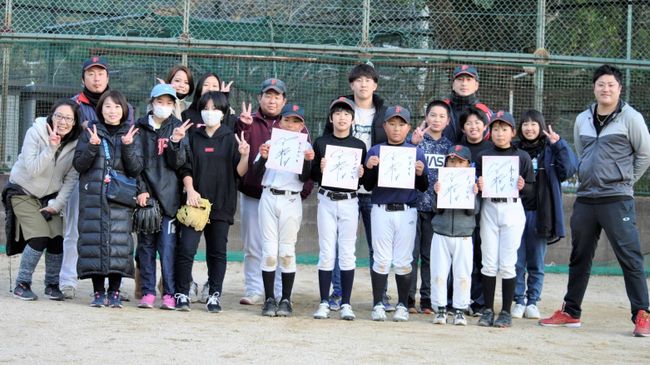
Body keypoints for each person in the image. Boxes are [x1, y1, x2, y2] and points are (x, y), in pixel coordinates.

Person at [539, 65, 650, 337]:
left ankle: (643, 314)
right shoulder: (582, 119)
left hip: (617, 199)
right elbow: (582, 151)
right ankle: (571, 312)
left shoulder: (630, 118)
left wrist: (624, 181)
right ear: (594, 87)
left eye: (611, 85)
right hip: (586, 199)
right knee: (579, 256)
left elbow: (645, 155)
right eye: (601, 84)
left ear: (619, 88)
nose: (606, 89)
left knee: (630, 258)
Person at [61, 56, 135, 300]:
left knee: (117, 234)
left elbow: (130, 145)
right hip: (81, 174)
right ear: (83, 78)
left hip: (115, 181)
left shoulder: (123, 105)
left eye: (100, 73)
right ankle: (68, 281)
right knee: (78, 230)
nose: (96, 78)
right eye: (91, 73)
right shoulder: (74, 104)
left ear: (107, 77)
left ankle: (115, 287)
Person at [322, 63, 392, 311]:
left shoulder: (384, 113)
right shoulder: (340, 109)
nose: (363, 84)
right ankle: (338, 293)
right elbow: (327, 145)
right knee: (342, 246)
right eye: (358, 80)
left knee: (378, 246)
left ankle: (380, 296)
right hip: (345, 191)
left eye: (368, 80)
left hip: (375, 190)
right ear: (351, 84)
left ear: (375, 84)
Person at [173, 91, 250, 312]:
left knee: (217, 252)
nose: (210, 113)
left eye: (215, 109)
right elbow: (185, 166)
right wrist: (190, 190)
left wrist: (245, 155)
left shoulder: (230, 137)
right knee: (186, 249)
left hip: (222, 203)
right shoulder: (194, 137)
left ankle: (214, 294)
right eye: (205, 109)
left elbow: (239, 172)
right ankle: (182, 292)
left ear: (223, 113)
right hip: (195, 203)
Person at [6, 100, 82, 301]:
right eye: (59, 116)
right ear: (51, 116)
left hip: (49, 197)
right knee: (39, 237)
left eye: (68, 118)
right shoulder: (35, 132)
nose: (62, 122)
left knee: (57, 238)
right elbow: (32, 170)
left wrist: (57, 205)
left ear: (74, 123)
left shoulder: (76, 144)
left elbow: (71, 179)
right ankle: (22, 283)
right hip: (22, 191)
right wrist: (50, 147)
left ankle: (52, 284)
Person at [73, 90, 144, 308]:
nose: (112, 111)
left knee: (119, 243)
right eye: (107, 107)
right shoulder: (89, 131)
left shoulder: (131, 133)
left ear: (124, 110)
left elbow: (136, 169)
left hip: (119, 198)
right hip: (94, 196)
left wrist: (129, 146)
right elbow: (79, 165)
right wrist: (92, 147)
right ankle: (97, 292)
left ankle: (114, 291)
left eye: (116, 107)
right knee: (93, 241)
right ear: (100, 109)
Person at [363, 106, 429, 322]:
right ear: (385, 126)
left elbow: (423, 186)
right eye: (392, 123)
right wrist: (370, 168)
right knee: (381, 259)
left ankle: (402, 304)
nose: (396, 128)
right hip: (381, 209)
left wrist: (420, 173)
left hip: (406, 211)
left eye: (401, 124)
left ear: (408, 127)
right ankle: (377, 304)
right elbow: (368, 184)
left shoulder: (416, 152)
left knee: (403, 260)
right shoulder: (376, 150)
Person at [235, 78, 297, 306]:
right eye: (268, 95)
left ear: (284, 100)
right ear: (260, 98)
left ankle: (280, 292)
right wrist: (244, 125)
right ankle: (254, 289)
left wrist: (303, 191)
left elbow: (305, 161)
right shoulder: (249, 121)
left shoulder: (293, 123)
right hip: (254, 193)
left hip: (284, 195)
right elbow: (238, 146)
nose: (272, 100)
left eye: (277, 96)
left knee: (282, 247)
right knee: (253, 245)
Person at [511, 110, 577, 319]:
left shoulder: (550, 149)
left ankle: (533, 301)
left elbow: (569, 169)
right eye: (525, 124)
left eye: (533, 124)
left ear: (541, 127)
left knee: (536, 261)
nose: (529, 128)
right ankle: (518, 301)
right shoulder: (513, 149)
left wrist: (560, 145)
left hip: (541, 213)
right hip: (514, 211)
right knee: (516, 260)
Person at [254, 104, 314, 317]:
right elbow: (255, 173)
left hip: (291, 199)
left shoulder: (305, 146)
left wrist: (308, 162)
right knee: (269, 252)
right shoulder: (270, 143)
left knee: (287, 252)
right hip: (269, 196)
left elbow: (304, 178)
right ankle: (269, 298)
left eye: (296, 121)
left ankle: (286, 299)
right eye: (287, 120)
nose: (291, 125)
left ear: (302, 125)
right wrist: (262, 156)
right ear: (280, 121)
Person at [475, 111, 534, 328]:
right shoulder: (484, 155)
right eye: (496, 129)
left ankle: (506, 311)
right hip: (490, 207)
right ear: (490, 132)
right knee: (489, 262)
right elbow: (475, 186)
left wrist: (523, 187)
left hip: (512, 208)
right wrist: (478, 186)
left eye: (504, 129)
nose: (500, 133)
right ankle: (488, 310)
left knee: (508, 264)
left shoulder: (522, 156)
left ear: (513, 132)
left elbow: (531, 190)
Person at [134, 84, 190, 310]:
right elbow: (134, 164)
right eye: (160, 102)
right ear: (151, 103)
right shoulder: (139, 127)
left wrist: (175, 142)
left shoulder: (178, 127)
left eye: (169, 103)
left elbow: (178, 164)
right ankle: (147, 292)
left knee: (168, 248)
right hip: (146, 198)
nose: (164, 107)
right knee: (146, 247)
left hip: (170, 199)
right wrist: (140, 190)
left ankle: (168, 293)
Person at [311, 97, 366, 320]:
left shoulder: (359, 145)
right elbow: (312, 175)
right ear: (331, 118)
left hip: (350, 201)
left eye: (346, 114)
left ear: (352, 119)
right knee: (326, 252)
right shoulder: (321, 142)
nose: (342, 117)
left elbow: (363, 182)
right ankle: (324, 301)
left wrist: (364, 173)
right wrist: (320, 168)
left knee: (347, 253)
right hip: (326, 199)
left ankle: (345, 303)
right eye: (338, 113)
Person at [406, 100, 453, 314]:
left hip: (436, 210)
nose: (436, 120)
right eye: (432, 115)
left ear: (448, 121)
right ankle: (408, 299)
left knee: (429, 256)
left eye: (441, 116)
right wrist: (412, 144)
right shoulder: (415, 141)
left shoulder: (449, 147)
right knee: (410, 254)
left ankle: (426, 299)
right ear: (426, 117)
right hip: (413, 205)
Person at [430, 145, 480, 325]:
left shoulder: (472, 183)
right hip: (441, 232)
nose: (456, 165)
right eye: (452, 161)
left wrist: (473, 194)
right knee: (439, 272)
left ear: (468, 164)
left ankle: (459, 309)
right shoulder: (441, 180)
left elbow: (472, 211)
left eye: (460, 161)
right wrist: (438, 193)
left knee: (463, 273)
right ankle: (440, 308)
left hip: (464, 234)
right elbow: (436, 209)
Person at [459, 106, 494, 316]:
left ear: (485, 126)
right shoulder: (456, 149)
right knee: (463, 256)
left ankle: (481, 301)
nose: (473, 127)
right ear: (463, 128)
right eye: (468, 123)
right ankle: (461, 299)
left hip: (485, 210)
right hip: (460, 211)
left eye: (477, 123)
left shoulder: (491, 149)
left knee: (482, 255)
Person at [442, 65, 492, 144]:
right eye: (460, 79)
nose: (464, 83)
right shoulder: (441, 108)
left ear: (476, 86)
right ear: (453, 85)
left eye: (468, 80)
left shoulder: (486, 112)